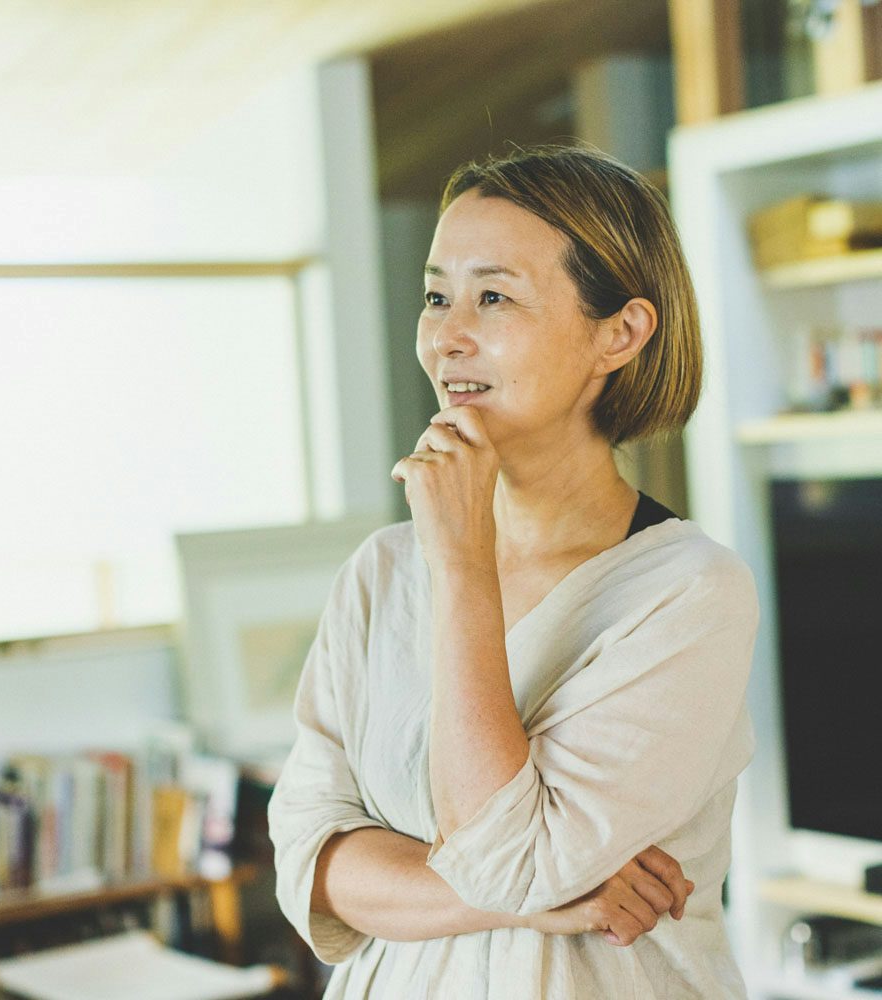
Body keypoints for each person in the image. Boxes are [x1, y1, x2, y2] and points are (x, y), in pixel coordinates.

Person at [267, 144, 757, 999]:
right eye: (436, 295)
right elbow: (309, 864)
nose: (447, 336)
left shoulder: (688, 594)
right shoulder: (381, 572)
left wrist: (461, 567)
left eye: (493, 296)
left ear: (620, 332)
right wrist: (529, 902)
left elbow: (508, 860)